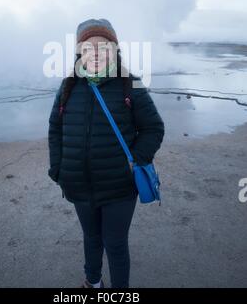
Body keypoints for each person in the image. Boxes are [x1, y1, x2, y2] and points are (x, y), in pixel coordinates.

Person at [48, 18, 165, 288]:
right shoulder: (68, 86)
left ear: (114, 49)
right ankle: (93, 282)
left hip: (119, 185)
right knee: (91, 238)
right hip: (79, 182)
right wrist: (58, 168)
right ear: (80, 52)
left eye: (103, 46)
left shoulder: (130, 84)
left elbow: (153, 128)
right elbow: (55, 129)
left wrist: (134, 162)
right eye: (88, 48)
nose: (96, 53)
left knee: (114, 242)